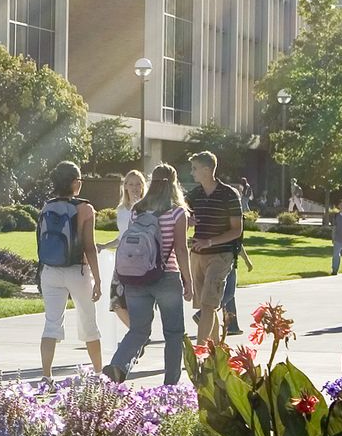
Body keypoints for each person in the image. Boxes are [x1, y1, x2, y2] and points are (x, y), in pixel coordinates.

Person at [102, 163, 193, 386]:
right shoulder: (177, 212)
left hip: (136, 277)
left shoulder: (138, 209)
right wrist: (188, 281)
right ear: (174, 183)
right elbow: (181, 249)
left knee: (138, 330)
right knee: (173, 333)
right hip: (166, 277)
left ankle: (118, 366)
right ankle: (170, 386)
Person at [36, 161, 102, 379]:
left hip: (51, 271)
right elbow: (89, 247)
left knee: (51, 324)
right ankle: (99, 375)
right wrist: (98, 280)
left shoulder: (47, 207)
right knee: (88, 322)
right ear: (75, 183)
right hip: (78, 271)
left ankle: (46, 377)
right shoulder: (85, 208)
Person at [186, 151, 243, 347]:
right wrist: (187, 219)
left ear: (207, 170)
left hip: (221, 255)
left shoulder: (229, 194)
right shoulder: (194, 195)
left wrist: (210, 241)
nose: (191, 173)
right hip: (197, 255)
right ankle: (217, 349)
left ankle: (200, 352)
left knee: (209, 305)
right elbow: (180, 215)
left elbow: (237, 230)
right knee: (206, 305)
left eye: (195, 168)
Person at [104, 170, 148, 331]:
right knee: (117, 302)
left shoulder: (148, 208)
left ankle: (138, 334)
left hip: (141, 262)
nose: (135, 188)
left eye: (138, 184)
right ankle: (136, 333)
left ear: (143, 186)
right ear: (125, 187)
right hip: (122, 262)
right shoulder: (121, 210)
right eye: (131, 184)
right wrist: (104, 245)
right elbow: (122, 237)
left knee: (138, 302)